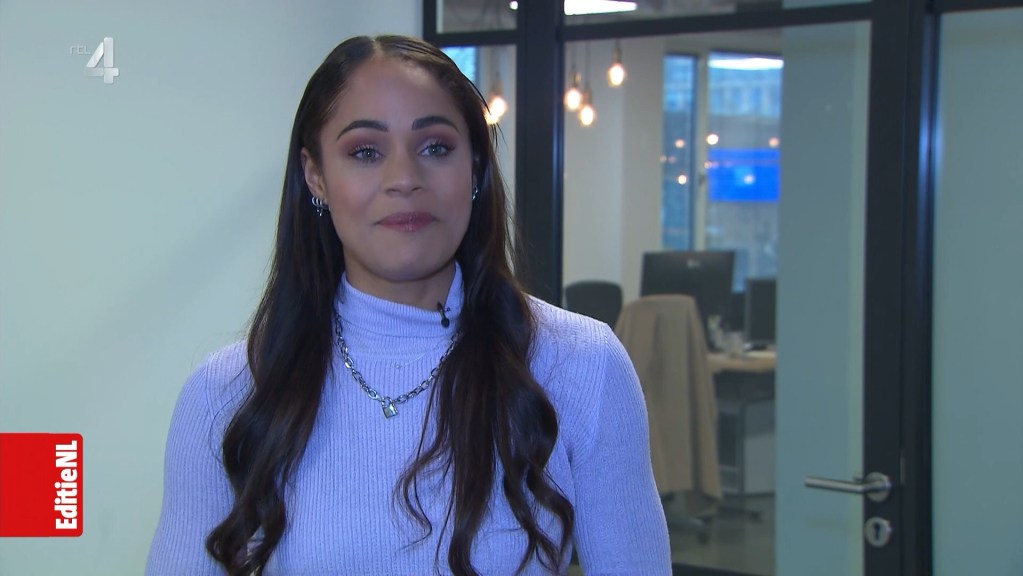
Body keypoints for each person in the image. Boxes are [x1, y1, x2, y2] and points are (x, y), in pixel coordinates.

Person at [146, 34, 671, 576]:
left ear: (475, 167)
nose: (404, 179)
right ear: (315, 175)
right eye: (365, 152)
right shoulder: (230, 392)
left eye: (435, 148)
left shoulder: (580, 364)